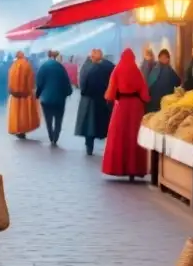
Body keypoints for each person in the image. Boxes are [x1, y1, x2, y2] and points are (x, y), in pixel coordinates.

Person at [102, 48, 150, 179]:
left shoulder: (117, 70)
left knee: (119, 135)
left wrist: (110, 98)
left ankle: (120, 167)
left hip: (122, 105)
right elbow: (144, 92)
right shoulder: (137, 71)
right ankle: (134, 169)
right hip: (136, 107)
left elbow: (111, 91)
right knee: (134, 135)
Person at [75, 48, 115, 155]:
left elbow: (82, 83)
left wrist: (83, 92)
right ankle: (104, 144)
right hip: (102, 99)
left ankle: (89, 145)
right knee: (102, 124)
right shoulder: (109, 66)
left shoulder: (87, 66)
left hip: (88, 99)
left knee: (89, 125)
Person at [35, 50, 73, 145]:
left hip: (46, 99)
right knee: (58, 119)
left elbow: (39, 83)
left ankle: (50, 136)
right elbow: (66, 82)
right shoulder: (61, 67)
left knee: (48, 119)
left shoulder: (43, 67)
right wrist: (68, 93)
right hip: (59, 99)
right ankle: (56, 137)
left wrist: (37, 94)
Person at [7, 51, 41, 139]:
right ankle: (23, 129)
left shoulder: (13, 66)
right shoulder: (27, 65)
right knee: (24, 113)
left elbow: (10, 80)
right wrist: (31, 91)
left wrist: (11, 90)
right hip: (25, 95)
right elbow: (30, 80)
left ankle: (16, 128)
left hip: (15, 95)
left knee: (16, 113)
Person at [146, 49, 181, 113]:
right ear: (167, 59)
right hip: (163, 104)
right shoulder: (168, 70)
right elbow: (178, 82)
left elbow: (148, 85)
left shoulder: (154, 70)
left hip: (151, 105)